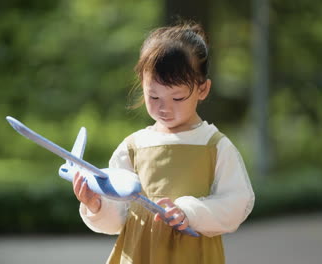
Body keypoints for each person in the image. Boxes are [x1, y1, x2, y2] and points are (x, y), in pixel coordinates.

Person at [72, 21, 255, 264]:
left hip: (192, 256)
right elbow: (118, 218)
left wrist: (189, 212)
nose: (164, 107)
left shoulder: (214, 145)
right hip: (138, 254)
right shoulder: (134, 147)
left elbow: (236, 204)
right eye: (153, 96)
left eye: (177, 97)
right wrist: (96, 205)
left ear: (203, 89)